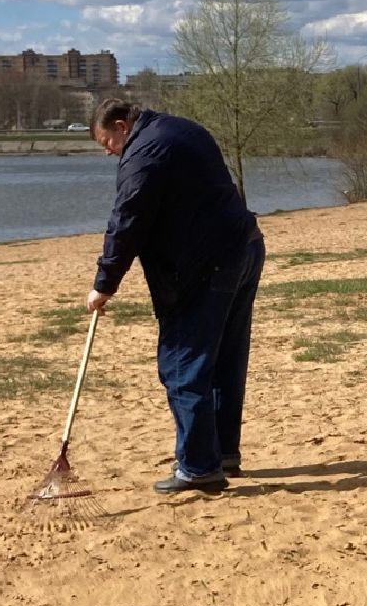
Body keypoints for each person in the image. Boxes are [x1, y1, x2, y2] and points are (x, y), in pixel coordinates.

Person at [84, 99, 266, 495]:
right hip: (244, 248)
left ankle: (200, 467)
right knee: (222, 359)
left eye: (108, 142)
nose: (109, 151)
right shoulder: (181, 129)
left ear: (121, 125)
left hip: (208, 264)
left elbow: (127, 220)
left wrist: (104, 283)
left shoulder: (145, 152)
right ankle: (221, 453)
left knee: (183, 363)